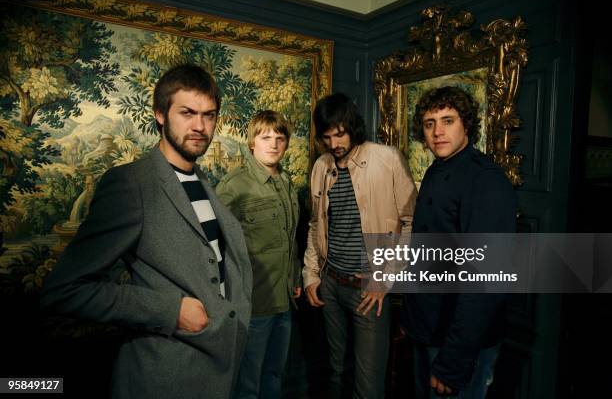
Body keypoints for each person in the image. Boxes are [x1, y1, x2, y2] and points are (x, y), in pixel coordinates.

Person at [40, 64, 252, 399]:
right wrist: (171, 311)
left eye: (209, 115)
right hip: (164, 376)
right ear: (160, 115)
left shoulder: (203, 183)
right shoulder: (130, 185)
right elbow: (64, 289)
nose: (200, 126)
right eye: (187, 113)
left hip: (220, 373)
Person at [402, 86, 517, 398]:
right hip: (429, 330)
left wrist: (453, 362)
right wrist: (413, 322)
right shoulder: (437, 170)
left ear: (466, 124)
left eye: (448, 120)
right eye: (429, 123)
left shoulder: (485, 180)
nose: (437, 131)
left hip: (461, 343)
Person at [303, 92, 417, 399]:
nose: (333, 144)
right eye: (326, 137)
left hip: (369, 288)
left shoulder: (386, 158)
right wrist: (311, 275)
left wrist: (386, 278)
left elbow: (411, 223)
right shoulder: (321, 167)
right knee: (337, 373)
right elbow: (316, 225)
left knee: (368, 386)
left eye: (339, 135)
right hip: (330, 284)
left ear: (352, 127)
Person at [215, 110, 301, 398]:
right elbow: (213, 245)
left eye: (280, 138)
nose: (274, 144)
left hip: (285, 301)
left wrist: (296, 276)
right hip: (253, 304)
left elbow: (290, 240)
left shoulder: (287, 182)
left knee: (275, 376)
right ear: (252, 142)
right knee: (248, 383)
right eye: (266, 138)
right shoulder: (233, 186)